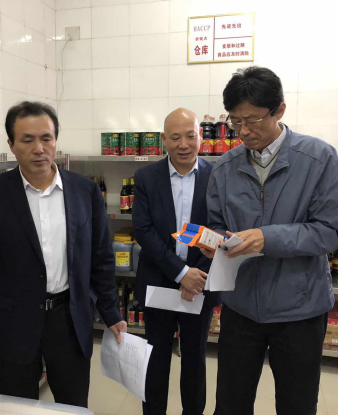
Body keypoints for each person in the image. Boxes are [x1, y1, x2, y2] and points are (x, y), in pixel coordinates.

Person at [202, 67, 338, 415]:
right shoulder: (224, 167)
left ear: (279, 110)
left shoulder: (318, 158)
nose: (243, 131)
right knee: (230, 404)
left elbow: (329, 231)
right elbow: (217, 223)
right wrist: (215, 243)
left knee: (296, 405)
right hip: (240, 307)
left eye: (253, 120)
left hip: (299, 309)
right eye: (236, 121)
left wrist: (266, 238)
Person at [0, 101, 126, 406]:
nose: (39, 148)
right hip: (13, 322)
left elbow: (101, 258)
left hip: (69, 317)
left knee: (72, 404)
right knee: (17, 406)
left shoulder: (84, 191)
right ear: (11, 145)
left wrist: (111, 312)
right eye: (27, 140)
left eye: (46, 138)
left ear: (55, 141)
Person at [132, 108, 219, 415]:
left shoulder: (217, 176)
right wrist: (181, 273)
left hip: (201, 285)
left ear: (200, 137)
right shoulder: (146, 177)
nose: (183, 144)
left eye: (190, 136)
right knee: (155, 360)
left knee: (194, 359)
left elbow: (220, 229)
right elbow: (143, 230)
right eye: (175, 137)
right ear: (164, 139)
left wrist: (196, 277)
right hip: (159, 282)